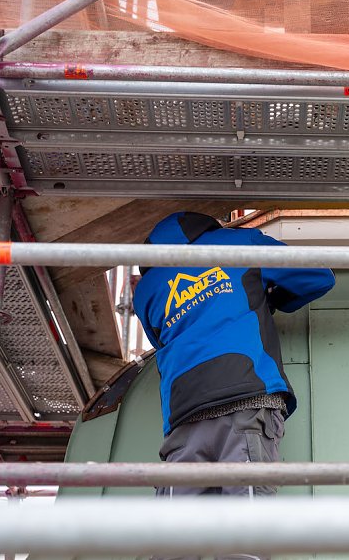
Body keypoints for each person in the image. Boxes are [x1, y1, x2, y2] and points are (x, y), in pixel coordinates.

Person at [133, 211, 335, 497]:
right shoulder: (240, 243)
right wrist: (266, 299)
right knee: (247, 527)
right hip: (246, 400)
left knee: (179, 535)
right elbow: (318, 276)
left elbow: (159, 341)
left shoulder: (145, 291)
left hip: (183, 418)